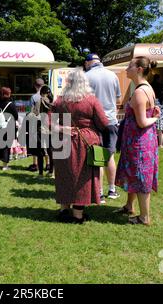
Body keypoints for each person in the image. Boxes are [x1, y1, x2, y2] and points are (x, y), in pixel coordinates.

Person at [52, 69, 109, 224]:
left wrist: (62, 128)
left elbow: (47, 123)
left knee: (64, 176)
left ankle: (64, 210)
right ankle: (78, 215)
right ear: (85, 83)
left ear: (68, 83)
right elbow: (104, 123)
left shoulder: (59, 101)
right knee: (82, 178)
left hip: (62, 141)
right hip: (85, 143)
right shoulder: (91, 101)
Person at [114, 56, 161, 225]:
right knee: (133, 173)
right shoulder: (145, 88)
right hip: (138, 140)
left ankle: (144, 217)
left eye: (129, 66)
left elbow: (142, 122)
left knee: (141, 176)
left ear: (139, 69)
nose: (126, 69)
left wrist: (155, 118)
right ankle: (128, 206)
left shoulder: (140, 92)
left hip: (139, 142)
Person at [85, 53, 121, 202]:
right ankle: (112, 190)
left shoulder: (86, 76)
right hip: (111, 120)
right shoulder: (113, 75)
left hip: (94, 121)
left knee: (98, 157)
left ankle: (98, 192)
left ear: (88, 63)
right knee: (110, 156)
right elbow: (118, 98)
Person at [0, 87, 18, 170]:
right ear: (8, 94)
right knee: (6, 147)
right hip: (8, 127)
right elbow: (16, 116)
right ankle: (5, 166)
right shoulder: (11, 104)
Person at [27, 78, 46, 172]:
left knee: (36, 145)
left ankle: (35, 164)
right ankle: (48, 164)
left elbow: (31, 111)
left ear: (35, 86)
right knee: (46, 144)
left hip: (36, 123)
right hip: (47, 123)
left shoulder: (34, 97)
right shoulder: (49, 96)